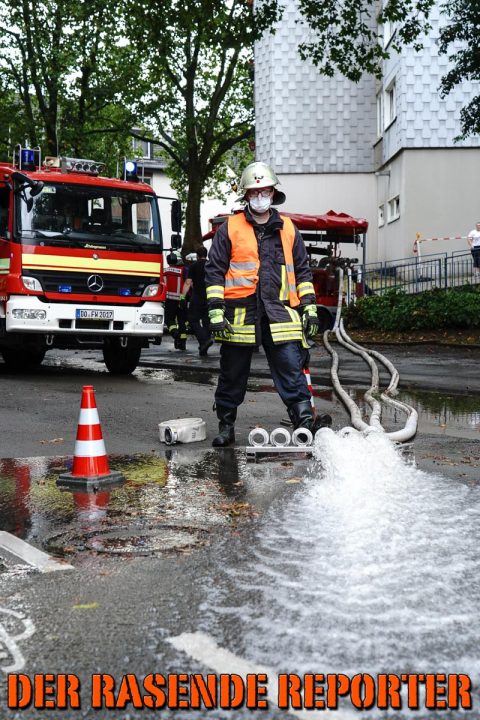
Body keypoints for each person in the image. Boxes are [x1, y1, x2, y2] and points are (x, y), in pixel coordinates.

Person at [205, 160, 331, 447]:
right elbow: (214, 271)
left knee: (290, 367)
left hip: (279, 312)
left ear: (273, 193)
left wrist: (309, 307)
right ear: (246, 195)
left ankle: (304, 423)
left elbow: (302, 271)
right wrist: (214, 310)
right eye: (254, 192)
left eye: (265, 191)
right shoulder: (230, 228)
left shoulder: (288, 228)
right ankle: (226, 426)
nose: (260, 196)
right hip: (240, 314)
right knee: (232, 372)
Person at [181, 246, 213, 356]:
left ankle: (204, 341)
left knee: (192, 319)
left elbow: (188, 283)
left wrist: (182, 297)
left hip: (197, 297)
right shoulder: (211, 265)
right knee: (206, 321)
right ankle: (204, 345)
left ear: (197, 255)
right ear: (206, 254)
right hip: (211, 296)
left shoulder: (193, 266)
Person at [164, 251, 188, 351]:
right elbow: (188, 283)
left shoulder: (164, 271)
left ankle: (174, 333)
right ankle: (182, 343)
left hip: (169, 300)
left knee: (169, 320)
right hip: (181, 300)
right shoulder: (184, 270)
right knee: (182, 321)